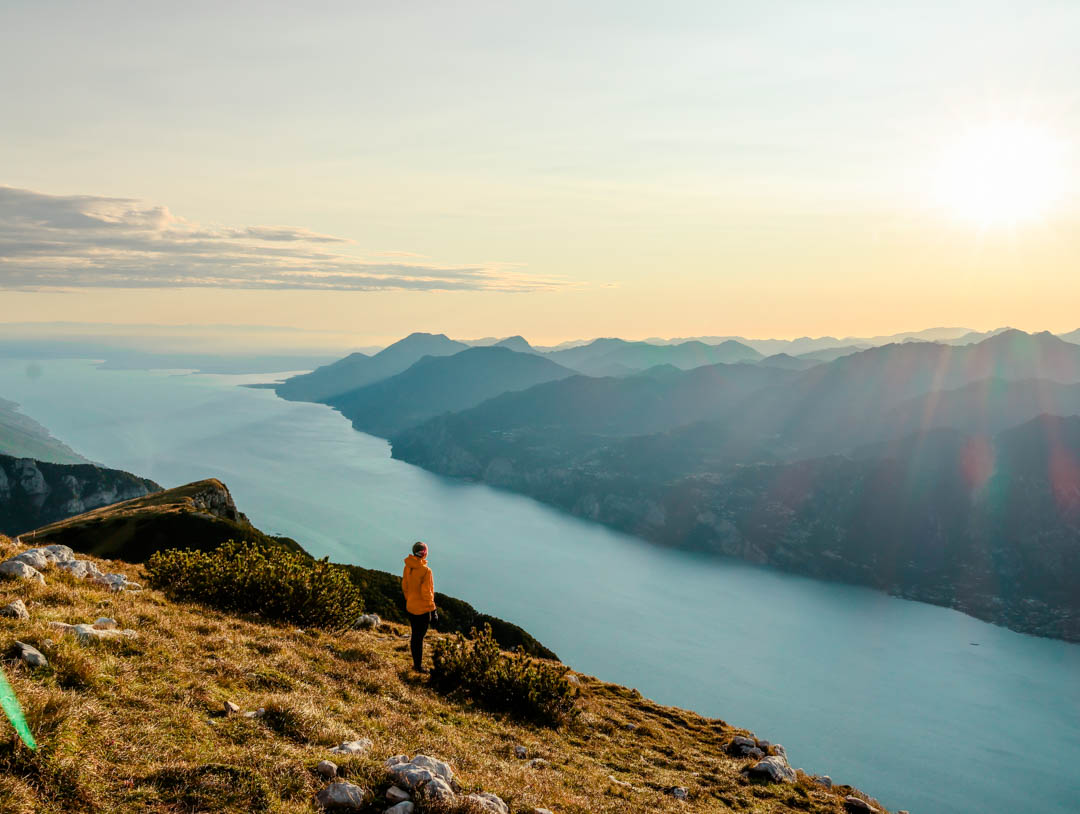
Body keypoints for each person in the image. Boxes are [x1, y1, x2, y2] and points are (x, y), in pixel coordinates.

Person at [401, 541, 437, 672]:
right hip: (422, 610)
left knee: (415, 636)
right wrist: (433, 610)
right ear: (424, 553)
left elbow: (404, 586)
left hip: (410, 606)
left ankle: (416, 664)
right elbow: (427, 592)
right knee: (419, 637)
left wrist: (409, 600)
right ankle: (418, 667)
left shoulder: (407, 567)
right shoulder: (426, 570)